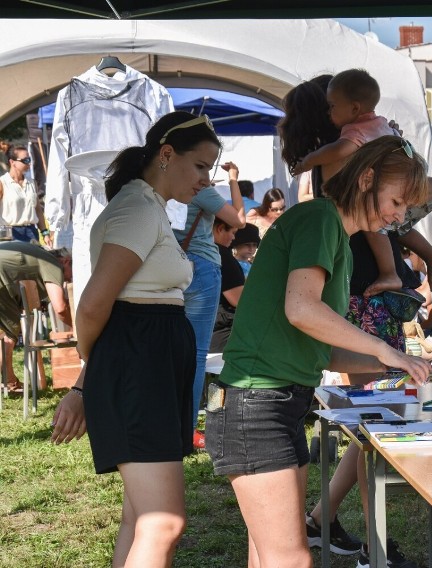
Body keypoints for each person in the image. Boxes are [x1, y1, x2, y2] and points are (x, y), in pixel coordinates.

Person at [204, 136, 432, 568]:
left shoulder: (337, 237)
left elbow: (319, 350)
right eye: (398, 201)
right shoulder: (321, 220)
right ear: (367, 178)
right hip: (257, 404)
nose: (400, 216)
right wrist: (387, 350)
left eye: (408, 209)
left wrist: (394, 365)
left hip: (278, 402)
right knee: (290, 559)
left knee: (268, 557)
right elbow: (301, 309)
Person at [49, 111, 221, 566]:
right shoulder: (137, 209)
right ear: (167, 154)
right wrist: (98, 367)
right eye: (201, 165)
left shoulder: (148, 207)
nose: (207, 179)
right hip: (138, 364)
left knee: (141, 517)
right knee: (163, 521)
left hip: (148, 363)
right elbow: (91, 305)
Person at [290, 68, 432, 295]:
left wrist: (307, 161)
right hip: (367, 273)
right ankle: (422, 260)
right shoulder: (366, 133)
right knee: (391, 224)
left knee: (378, 220)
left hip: (362, 274)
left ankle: (396, 270)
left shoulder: (345, 146)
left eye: (333, 106)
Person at [173, 160, 245, 449]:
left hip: (174, 266)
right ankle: (191, 429)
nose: (233, 235)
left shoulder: (169, 183)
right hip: (220, 338)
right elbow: (239, 218)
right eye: (227, 231)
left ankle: (180, 426)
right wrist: (232, 180)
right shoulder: (201, 189)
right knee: (200, 359)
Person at [0, 242, 72, 392]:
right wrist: (80, 328)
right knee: (8, 336)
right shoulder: (53, 263)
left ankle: (10, 381)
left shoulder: (40, 254)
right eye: (71, 275)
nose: (69, 281)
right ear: (66, 261)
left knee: (5, 334)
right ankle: (9, 382)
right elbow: (60, 308)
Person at [1, 146, 51, 246]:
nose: (29, 163)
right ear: (12, 162)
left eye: (30, 159)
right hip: (11, 234)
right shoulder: (2, 182)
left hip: (32, 233)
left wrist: (45, 233)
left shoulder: (32, 183)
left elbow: (38, 210)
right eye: (26, 160)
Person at [209, 217, 244, 353]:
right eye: (233, 232)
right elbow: (237, 299)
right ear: (220, 229)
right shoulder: (222, 255)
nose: (234, 238)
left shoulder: (197, 251)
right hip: (222, 333)